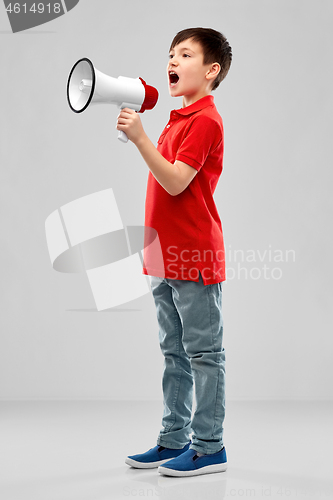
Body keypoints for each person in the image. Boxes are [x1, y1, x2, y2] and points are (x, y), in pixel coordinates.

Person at [117, 27, 232, 477]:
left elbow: (176, 181)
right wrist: (146, 136)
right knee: (174, 352)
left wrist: (141, 139)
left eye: (185, 54)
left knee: (203, 353)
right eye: (170, 54)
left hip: (194, 254)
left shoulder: (205, 120)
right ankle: (173, 440)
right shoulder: (176, 117)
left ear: (210, 70)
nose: (172, 61)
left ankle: (210, 447)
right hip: (164, 255)